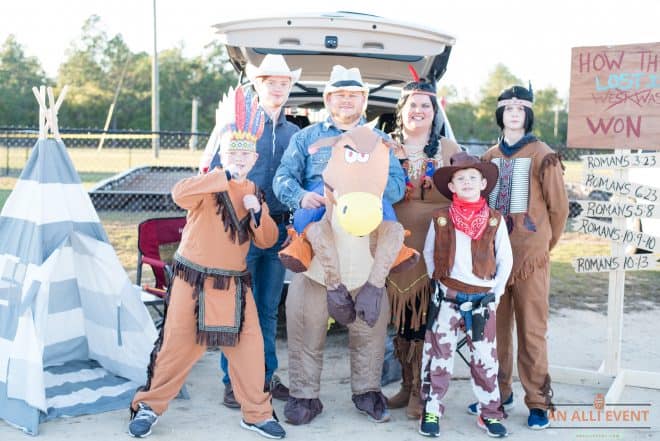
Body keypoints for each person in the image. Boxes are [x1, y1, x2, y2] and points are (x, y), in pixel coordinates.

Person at [128, 87, 286, 439]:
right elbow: (178, 194)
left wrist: (257, 211)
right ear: (221, 154)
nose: (240, 159)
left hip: (233, 287)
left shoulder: (253, 195)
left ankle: (257, 413)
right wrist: (222, 175)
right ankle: (149, 406)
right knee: (176, 346)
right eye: (233, 152)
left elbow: (267, 240)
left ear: (256, 159)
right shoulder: (206, 185)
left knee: (250, 348)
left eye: (246, 155)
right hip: (192, 282)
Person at [272, 65, 406, 425]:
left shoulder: (379, 142)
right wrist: (301, 197)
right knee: (305, 321)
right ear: (328, 99)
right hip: (319, 242)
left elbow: (397, 183)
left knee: (370, 324)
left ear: (363, 100)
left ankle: (367, 390)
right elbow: (283, 177)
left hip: (365, 243)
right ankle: (304, 396)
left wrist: (366, 187)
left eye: (354, 94)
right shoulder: (307, 138)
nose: (346, 100)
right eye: (339, 94)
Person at [469, 84, 569, 430]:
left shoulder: (543, 154)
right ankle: (499, 392)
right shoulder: (489, 157)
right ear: (500, 114)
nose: (513, 114)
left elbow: (559, 210)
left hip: (530, 259)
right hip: (493, 258)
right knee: (494, 331)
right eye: (507, 109)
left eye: (520, 109)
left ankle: (538, 401)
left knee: (532, 331)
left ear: (527, 114)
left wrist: (542, 247)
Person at [207, 54, 302, 408]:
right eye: (270, 82)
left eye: (283, 83)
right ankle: (232, 379)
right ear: (257, 86)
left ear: (289, 88)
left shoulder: (295, 133)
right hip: (241, 229)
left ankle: (264, 374)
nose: (277, 88)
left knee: (266, 307)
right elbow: (215, 172)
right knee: (236, 306)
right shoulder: (237, 126)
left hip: (276, 228)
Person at [419, 152, 513, 438]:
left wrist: (494, 294)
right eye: (461, 179)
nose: (468, 182)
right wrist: (438, 281)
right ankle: (432, 408)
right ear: (452, 186)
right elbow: (428, 252)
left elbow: (505, 261)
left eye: (473, 178)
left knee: (485, 358)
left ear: (484, 183)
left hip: (482, 300)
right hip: (447, 296)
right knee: (438, 356)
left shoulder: (495, 221)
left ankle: (489, 413)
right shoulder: (441, 219)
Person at [384, 79, 461, 420]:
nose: (418, 111)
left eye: (425, 106)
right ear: (401, 111)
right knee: (401, 322)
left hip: (433, 250)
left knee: (426, 321)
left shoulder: (447, 149)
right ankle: (405, 384)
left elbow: (466, 194)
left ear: (434, 113)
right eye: (412, 105)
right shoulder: (386, 147)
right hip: (395, 246)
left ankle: (422, 390)